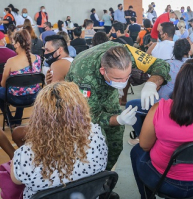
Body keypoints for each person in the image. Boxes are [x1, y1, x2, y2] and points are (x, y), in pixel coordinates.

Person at [130, 58, 193, 199]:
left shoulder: (160, 109)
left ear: (178, 82)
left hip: (165, 182)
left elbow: (145, 146)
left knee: (136, 151)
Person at [65, 41, 171, 170]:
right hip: (82, 98)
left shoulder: (126, 53)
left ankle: (106, 175)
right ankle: (95, 177)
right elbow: (89, 118)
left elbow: (161, 64)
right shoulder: (83, 77)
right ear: (103, 70)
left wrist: (152, 83)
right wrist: (118, 119)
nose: (124, 82)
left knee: (115, 139)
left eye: (127, 77)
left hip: (108, 90)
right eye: (118, 79)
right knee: (90, 142)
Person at [10, 81, 108, 199]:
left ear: (39, 117)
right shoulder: (96, 136)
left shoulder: (27, 155)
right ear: (81, 109)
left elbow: (16, 181)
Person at [0, 29, 41, 127]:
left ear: (17, 44)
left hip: (16, 99)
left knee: (2, 91)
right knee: (24, 86)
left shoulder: (11, 61)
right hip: (35, 96)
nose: (12, 44)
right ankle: (17, 120)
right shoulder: (38, 58)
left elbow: (3, 84)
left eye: (13, 42)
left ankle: (10, 120)